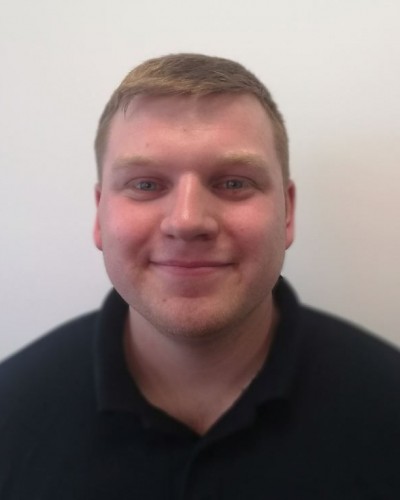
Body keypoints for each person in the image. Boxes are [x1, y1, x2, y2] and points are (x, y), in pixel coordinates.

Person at [0, 53, 399, 499]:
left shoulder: (389, 406)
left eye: (233, 183)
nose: (187, 221)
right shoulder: (9, 414)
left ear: (287, 213)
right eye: (146, 185)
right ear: (99, 214)